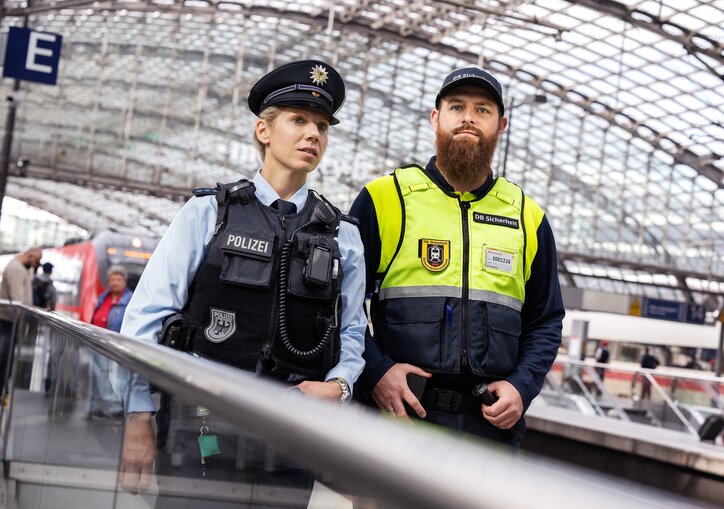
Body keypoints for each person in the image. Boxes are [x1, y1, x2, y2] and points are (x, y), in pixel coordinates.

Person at [114, 60, 367, 505]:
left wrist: (340, 385)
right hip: (201, 424)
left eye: (323, 126)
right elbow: (147, 317)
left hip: (291, 433)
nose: (313, 134)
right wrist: (139, 415)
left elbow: (350, 333)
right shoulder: (210, 213)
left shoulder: (343, 236)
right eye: (298, 120)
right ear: (263, 131)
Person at [350, 66, 564, 448]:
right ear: (436, 119)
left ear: (501, 126)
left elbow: (545, 320)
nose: (468, 117)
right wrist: (377, 373)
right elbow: (339, 305)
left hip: (491, 431)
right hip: (400, 420)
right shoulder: (385, 198)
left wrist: (522, 386)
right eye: (456, 107)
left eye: (483, 109)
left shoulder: (526, 216)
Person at [88, 265, 130, 420]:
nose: (115, 283)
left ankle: (112, 409)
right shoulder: (103, 297)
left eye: (118, 279)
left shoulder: (129, 300)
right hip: (98, 342)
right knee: (97, 375)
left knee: (110, 377)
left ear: (124, 282)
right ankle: (96, 408)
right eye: (112, 279)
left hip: (114, 344)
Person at [1, 247, 42, 384]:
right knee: (4, 357)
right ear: (30, 255)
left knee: (7, 357)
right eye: (36, 261)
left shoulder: (21, 268)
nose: (35, 265)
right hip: (8, 320)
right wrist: (22, 318)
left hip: (11, 320)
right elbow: (17, 297)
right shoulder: (16, 269)